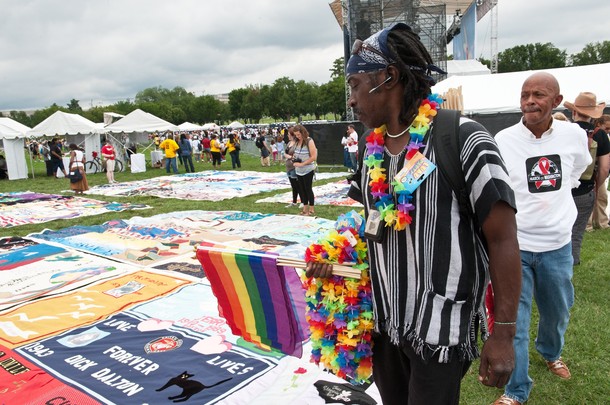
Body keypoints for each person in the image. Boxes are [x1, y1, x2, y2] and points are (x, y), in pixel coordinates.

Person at [306, 23, 521, 405]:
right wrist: (332, 258)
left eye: (355, 85)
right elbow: (367, 225)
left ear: (387, 78)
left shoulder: (465, 139)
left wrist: (503, 334)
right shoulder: (372, 151)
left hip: (440, 327)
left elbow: (503, 239)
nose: (351, 100)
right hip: (386, 322)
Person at [494, 72, 592, 405]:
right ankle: (516, 390)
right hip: (515, 247)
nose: (530, 101)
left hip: (558, 245)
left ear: (557, 101)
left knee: (557, 312)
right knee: (515, 323)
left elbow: (578, 170)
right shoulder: (503, 139)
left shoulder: (573, 135)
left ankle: (551, 352)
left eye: (539, 95)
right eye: (525, 94)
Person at [564, 92, 610, 262]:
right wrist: (596, 185)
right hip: (586, 189)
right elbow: (604, 167)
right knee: (577, 231)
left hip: (563, 189)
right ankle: (573, 259)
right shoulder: (600, 134)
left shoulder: (565, 131)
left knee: (561, 229)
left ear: (574, 112)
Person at [588, 114, 610, 229]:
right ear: (599, 124)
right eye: (606, 128)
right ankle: (589, 224)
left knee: (601, 197)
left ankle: (602, 223)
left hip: (596, 172)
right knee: (592, 198)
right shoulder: (599, 135)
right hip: (594, 172)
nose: (608, 131)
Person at [292, 124, 317, 216]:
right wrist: (294, 159)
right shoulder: (296, 142)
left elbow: (313, 157)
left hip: (307, 169)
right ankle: (305, 208)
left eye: (299, 134)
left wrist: (302, 163)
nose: (298, 137)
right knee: (301, 190)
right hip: (298, 170)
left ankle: (311, 208)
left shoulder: (309, 141)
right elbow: (294, 153)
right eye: (296, 135)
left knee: (308, 189)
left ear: (303, 132)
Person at [283, 127, 302, 208]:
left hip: (294, 167)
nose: (288, 136)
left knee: (297, 185)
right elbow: (285, 153)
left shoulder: (297, 144)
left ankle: (303, 201)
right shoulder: (289, 143)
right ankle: (294, 202)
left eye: (289, 134)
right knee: (293, 186)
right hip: (288, 167)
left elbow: (295, 156)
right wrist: (288, 156)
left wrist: (289, 157)